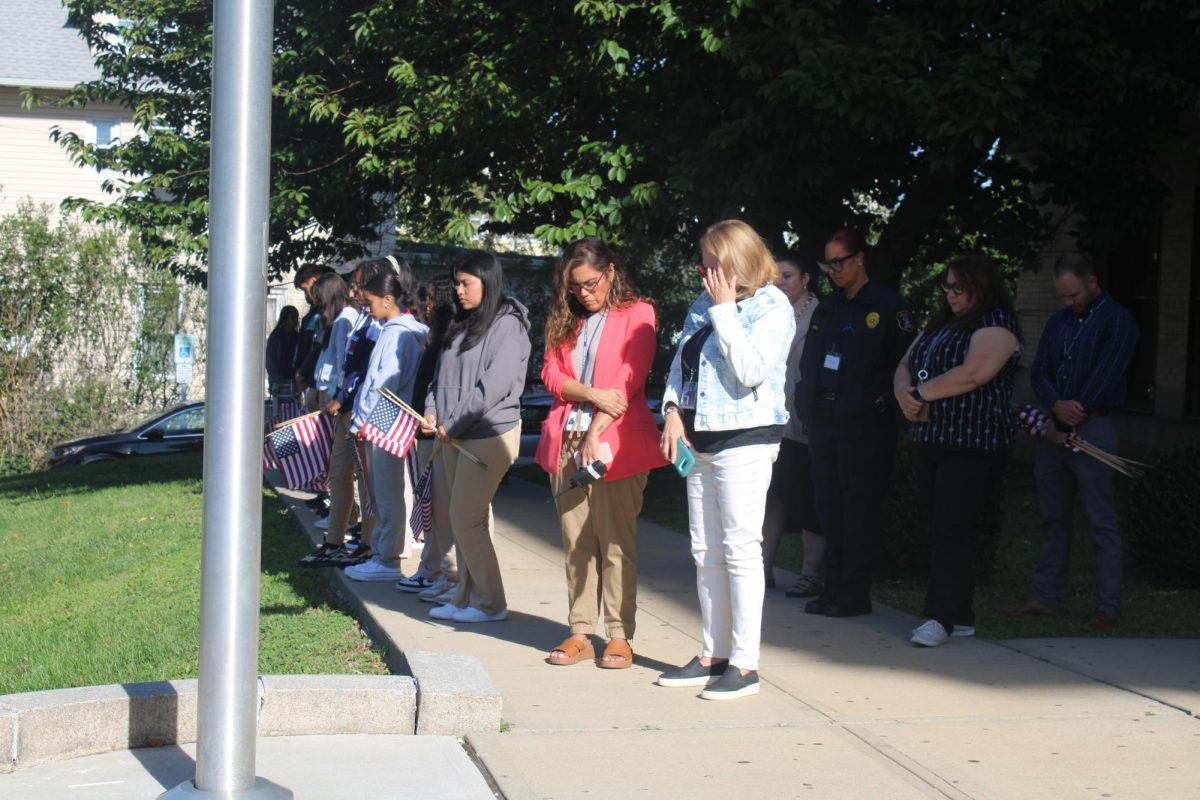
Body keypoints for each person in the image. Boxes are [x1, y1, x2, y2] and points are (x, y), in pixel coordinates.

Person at [655, 220, 793, 701]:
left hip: (746, 439)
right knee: (705, 551)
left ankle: (745, 664)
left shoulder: (772, 306)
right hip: (699, 439)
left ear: (736, 261)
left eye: (712, 263)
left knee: (739, 549)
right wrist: (672, 412)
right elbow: (681, 363)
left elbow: (752, 371)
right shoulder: (704, 304)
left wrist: (726, 311)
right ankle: (712, 653)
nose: (703, 271)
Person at [536, 238, 665, 668]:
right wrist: (590, 393)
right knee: (576, 542)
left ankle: (619, 634)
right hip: (566, 439)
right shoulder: (567, 320)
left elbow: (629, 382)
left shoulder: (638, 314)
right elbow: (551, 374)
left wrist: (596, 431)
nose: (584, 293)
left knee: (615, 542)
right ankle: (579, 631)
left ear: (610, 272)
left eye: (591, 283)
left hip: (616, 442)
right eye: (575, 287)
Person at [893, 254, 1022, 647]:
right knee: (940, 526)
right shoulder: (941, 325)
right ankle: (961, 615)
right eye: (947, 286)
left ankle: (940, 617)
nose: (951, 294)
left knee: (952, 527)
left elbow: (974, 373)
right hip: (931, 439)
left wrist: (920, 392)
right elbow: (904, 364)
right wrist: (903, 394)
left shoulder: (996, 324)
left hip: (973, 443)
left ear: (981, 287)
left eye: (959, 287)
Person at [1008, 253, 1138, 633]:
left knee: (1101, 520)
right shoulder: (1059, 321)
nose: (1068, 302)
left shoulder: (1117, 320)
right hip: (1054, 428)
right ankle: (1046, 596)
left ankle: (1108, 606)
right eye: (1063, 295)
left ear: (1092, 282)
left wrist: (1074, 410)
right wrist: (1053, 403)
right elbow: (1042, 369)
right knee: (1052, 516)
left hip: (1093, 427)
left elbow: (1108, 373)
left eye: (1073, 294)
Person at [796, 228, 914, 618]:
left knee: (858, 508)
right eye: (827, 264)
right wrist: (807, 407)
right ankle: (832, 589)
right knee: (829, 506)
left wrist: (876, 404)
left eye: (838, 262)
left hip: (864, 425)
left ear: (859, 258)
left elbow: (902, 365)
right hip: (825, 420)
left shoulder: (887, 307)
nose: (832, 271)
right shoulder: (828, 307)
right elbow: (810, 361)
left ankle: (854, 592)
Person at [421, 250, 531, 624]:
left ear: (489, 281)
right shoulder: (460, 322)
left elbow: (495, 387)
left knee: (466, 518)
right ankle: (465, 595)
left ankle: (489, 603)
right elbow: (439, 377)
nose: (458, 289)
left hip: (488, 434)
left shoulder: (509, 324)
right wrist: (433, 411)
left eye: (466, 282)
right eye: (456, 282)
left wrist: (453, 422)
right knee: (461, 518)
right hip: (452, 434)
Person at [345, 269, 429, 582]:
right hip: (385, 419)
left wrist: (361, 419)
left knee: (386, 491)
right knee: (385, 490)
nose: (366, 307)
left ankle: (388, 558)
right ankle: (384, 552)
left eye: (369, 302)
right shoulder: (401, 329)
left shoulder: (398, 333)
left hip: (384, 419)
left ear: (388, 300)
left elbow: (384, 383)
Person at [761, 252, 825, 599]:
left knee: (804, 499)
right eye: (775, 276)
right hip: (771, 421)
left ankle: (811, 574)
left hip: (803, 422)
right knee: (771, 496)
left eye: (787, 276)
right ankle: (763, 568)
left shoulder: (820, 314)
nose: (779, 282)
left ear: (805, 279)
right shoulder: (770, 311)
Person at [399, 275, 461, 601]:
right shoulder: (434, 335)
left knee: (439, 507)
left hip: (437, 432)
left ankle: (439, 571)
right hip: (425, 426)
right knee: (431, 504)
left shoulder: (450, 337)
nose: (427, 304)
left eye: (432, 298)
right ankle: (431, 568)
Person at [297, 272, 365, 566]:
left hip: (346, 405)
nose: (314, 301)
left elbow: (345, 366)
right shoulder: (340, 321)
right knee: (338, 471)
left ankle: (358, 536)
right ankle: (336, 538)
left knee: (353, 474)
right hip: (337, 400)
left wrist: (337, 396)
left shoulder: (348, 319)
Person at [266, 305, 299, 400]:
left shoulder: (297, 337)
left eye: (296, 317)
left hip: (293, 381)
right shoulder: (276, 336)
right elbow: (270, 360)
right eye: (292, 317)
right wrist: (277, 379)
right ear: (285, 317)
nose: (295, 320)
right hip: (278, 381)